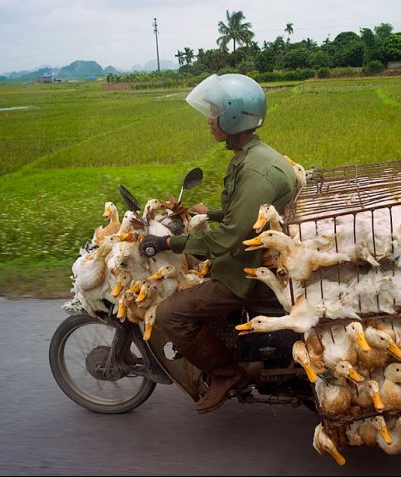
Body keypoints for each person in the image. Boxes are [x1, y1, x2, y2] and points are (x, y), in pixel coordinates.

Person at [138, 73, 297, 414]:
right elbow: (248, 212)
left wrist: (169, 241)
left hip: (243, 272)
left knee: (170, 314)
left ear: (233, 117)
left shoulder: (256, 169)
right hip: (249, 255)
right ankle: (225, 346)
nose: (209, 120)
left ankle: (226, 375)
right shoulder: (252, 155)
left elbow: (230, 237)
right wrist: (207, 212)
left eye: (214, 113)